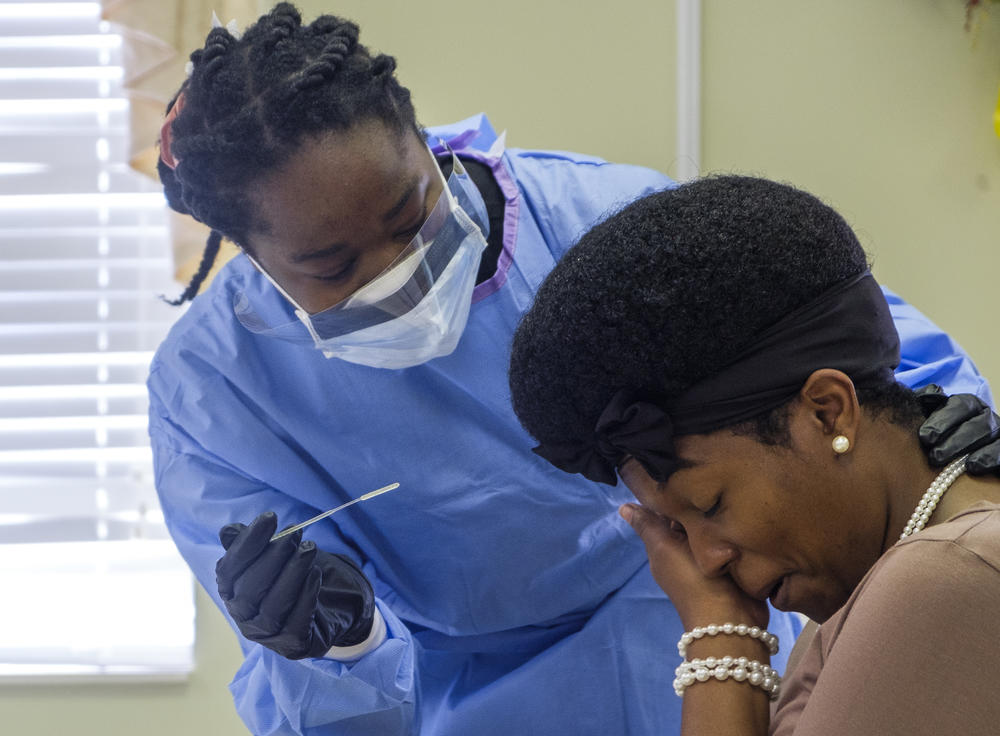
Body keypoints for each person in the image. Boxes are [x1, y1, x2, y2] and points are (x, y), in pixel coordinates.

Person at [149, 4, 992, 734]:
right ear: (251, 258)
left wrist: (941, 428)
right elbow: (347, 715)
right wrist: (337, 643)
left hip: (757, 637)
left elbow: (851, 354)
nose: (394, 268)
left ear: (423, 139)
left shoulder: (600, 225)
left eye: (411, 214)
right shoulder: (215, 398)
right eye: (331, 267)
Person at [507, 175, 1000, 735]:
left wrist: (718, 634)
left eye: (711, 505)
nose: (706, 561)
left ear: (827, 412)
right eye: (675, 526)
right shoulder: (890, 568)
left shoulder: (945, 577)